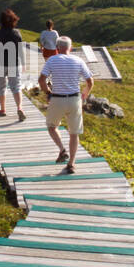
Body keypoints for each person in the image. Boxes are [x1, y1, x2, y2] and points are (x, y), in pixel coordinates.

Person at [38, 36, 94, 174]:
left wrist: (48, 93)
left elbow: (41, 80)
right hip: (75, 99)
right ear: (71, 47)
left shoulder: (52, 60)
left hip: (57, 99)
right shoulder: (78, 60)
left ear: (57, 48)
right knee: (74, 133)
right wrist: (85, 94)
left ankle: (62, 149)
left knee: (52, 126)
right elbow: (90, 81)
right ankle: (71, 164)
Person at [0, 9, 26, 120]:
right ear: (14, 21)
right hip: (14, 63)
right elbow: (20, 50)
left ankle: (3, 109)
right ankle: (19, 108)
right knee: (16, 87)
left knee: (1, 87)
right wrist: (23, 63)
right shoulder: (17, 33)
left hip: (0, 64)